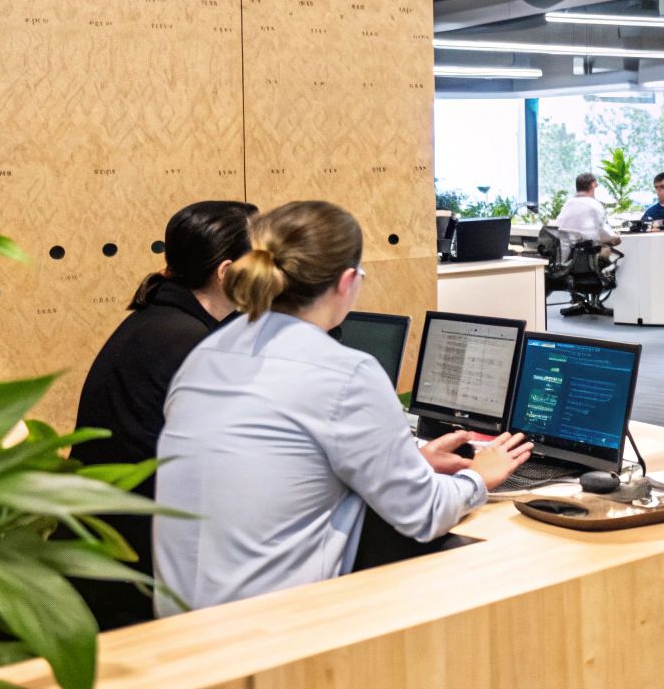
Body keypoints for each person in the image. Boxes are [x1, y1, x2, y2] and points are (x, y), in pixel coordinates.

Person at [152, 200, 531, 615]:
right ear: (347, 281)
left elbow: (285, 467)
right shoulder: (344, 371)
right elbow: (422, 513)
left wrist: (413, 464)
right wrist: (479, 476)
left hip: (178, 623)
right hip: (268, 634)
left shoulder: (206, 354)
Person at [69, 200, 257, 630]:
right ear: (227, 273)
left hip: (111, 554)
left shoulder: (158, 319)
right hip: (139, 576)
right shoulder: (187, 344)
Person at [555, 172, 621, 246]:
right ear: (593, 185)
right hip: (583, 252)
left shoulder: (568, 204)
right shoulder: (594, 204)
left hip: (565, 251)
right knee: (609, 246)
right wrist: (615, 236)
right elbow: (602, 232)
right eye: (596, 185)